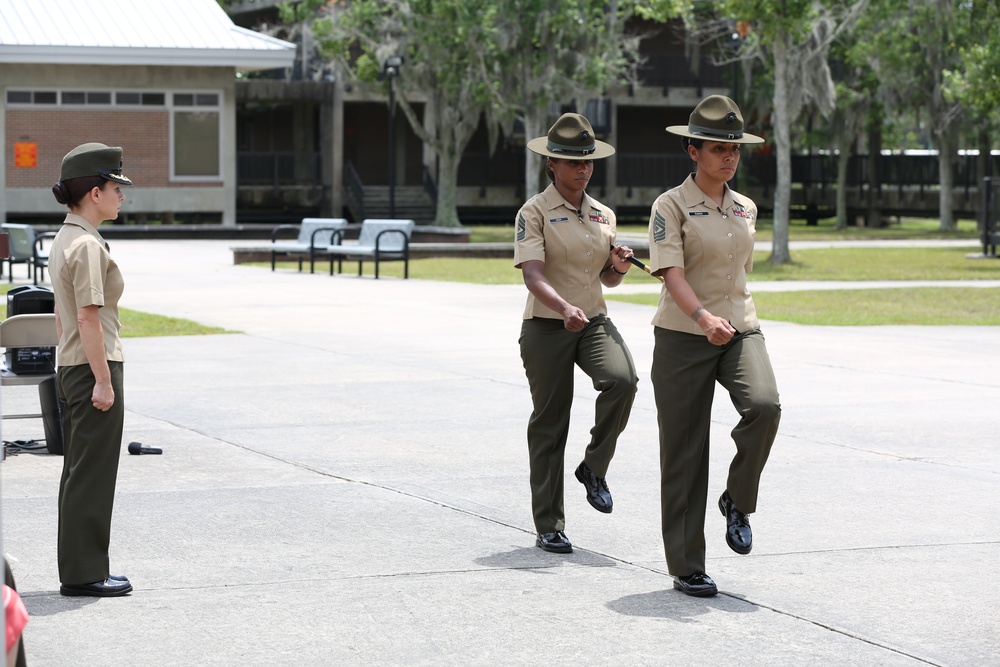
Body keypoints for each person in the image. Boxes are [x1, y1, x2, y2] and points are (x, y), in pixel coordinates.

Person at [647, 96, 781, 596]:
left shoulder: (745, 207)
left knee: (764, 406)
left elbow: (739, 274)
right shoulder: (670, 206)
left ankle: (737, 501)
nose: (729, 156)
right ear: (692, 150)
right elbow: (673, 274)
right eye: (718, 148)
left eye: (735, 149)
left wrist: (725, 319)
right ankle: (687, 565)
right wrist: (702, 317)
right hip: (685, 336)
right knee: (684, 452)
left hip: (740, 331)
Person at [514, 113, 639, 554]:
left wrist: (619, 265)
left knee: (623, 380)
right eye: (572, 161)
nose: (582, 169)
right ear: (552, 163)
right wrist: (562, 306)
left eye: (587, 161)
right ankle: (549, 523)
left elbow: (607, 280)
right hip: (547, 326)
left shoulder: (604, 213)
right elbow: (532, 274)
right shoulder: (534, 212)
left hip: (592, 322)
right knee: (550, 423)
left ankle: (594, 467)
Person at [49, 142, 134, 597]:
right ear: (94, 193)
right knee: (92, 473)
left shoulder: (67, 236)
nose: (122, 195)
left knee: (79, 470)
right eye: (115, 186)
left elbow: (63, 318)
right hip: (92, 368)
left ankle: (81, 567)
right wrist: (103, 380)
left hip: (73, 364)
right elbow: (85, 317)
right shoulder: (85, 244)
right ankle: (84, 574)